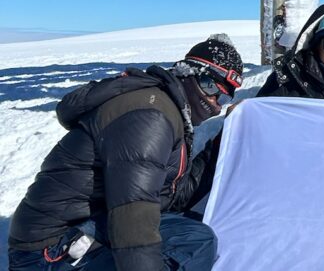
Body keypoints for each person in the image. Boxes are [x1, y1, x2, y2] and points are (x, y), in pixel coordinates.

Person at [7, 35, 244, 271]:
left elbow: (173, 198)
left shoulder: (170, 111)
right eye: (210, 87)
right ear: (187, 73)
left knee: (193, 235)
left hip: (81, 229)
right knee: (192, 241)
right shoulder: (150, 116)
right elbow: (133, 216)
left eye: (223, 96)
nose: (215, 101)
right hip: (48, 251)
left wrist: (223, 143)